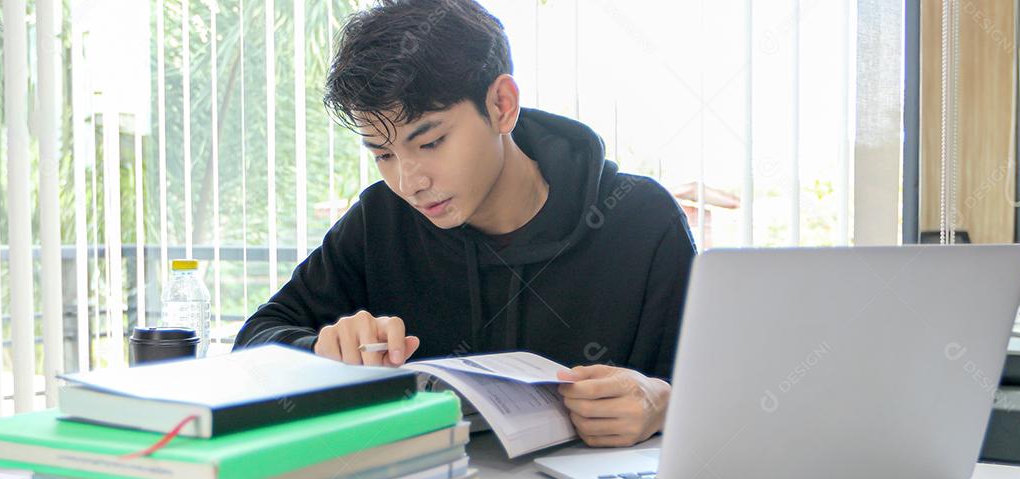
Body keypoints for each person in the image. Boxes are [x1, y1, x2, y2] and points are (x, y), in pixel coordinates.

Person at [235, 0, 696, 447]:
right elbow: (253, 345)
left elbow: (733, 409)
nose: (408, 181)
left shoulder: (641, 221)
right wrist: (320, 349)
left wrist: (667, 406)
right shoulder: (381, 221)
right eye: (383, 154)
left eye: (431, 142)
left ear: (502, 104)